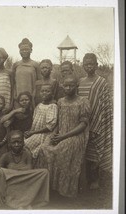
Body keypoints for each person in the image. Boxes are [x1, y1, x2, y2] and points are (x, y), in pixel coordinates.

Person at [37, 76, 90, 197]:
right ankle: (49, 186)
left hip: (76, 135)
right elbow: (58, 122)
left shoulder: (83, 101)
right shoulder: (60, 101)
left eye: (71, 85)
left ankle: (65, 188)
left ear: (76, 86)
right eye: (66, 85)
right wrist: (54, 134)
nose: (68, 88)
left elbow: (83, 124)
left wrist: (63, 137)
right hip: (60, 133)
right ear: (62, 86)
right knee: (44, 147)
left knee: (62, 148)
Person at [78, 53, 113, 189]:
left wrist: (100, 122)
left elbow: (105, 104)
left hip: (97, 120)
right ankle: (84, 179)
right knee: (83, 151)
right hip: (81, 122)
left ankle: (95, 180)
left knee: (94, 150)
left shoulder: (101, 82)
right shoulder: (80, 81)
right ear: (83, 65)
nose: (89, 66)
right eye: (86, 64)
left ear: (96, 65)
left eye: (91, 64)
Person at [0, 130, 49, 209]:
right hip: (11, 187)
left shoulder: (27, 154)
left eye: (19, 142)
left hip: (25, 185)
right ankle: (21, 203)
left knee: (44, 172)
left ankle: (25, 201)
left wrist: (18, 175)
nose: (16, 144)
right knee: (1, 172)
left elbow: (29, 175)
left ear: (23, 142)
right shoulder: (5, 156)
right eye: (13, 142)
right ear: (9, 144)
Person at [24, 84, 58, 160]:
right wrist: (30, 132)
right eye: (42, 91)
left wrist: (33, 133)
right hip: (35, 132)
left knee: (25, 145)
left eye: (47, 91)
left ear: (52, 94)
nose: (44, 93)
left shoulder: (52, 106)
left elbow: (49, 127)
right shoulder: (39, 105)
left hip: (43, 134)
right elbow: (34, 122)